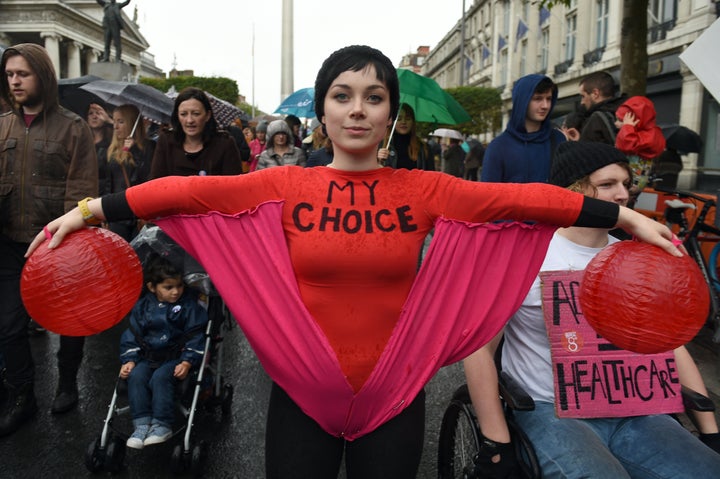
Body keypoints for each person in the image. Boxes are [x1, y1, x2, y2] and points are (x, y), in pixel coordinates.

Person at [29, 45, 680, 478]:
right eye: (342, 95)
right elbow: (188, 192)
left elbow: (522, 200)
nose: (359, 108)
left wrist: (623, 216)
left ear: (392, 113)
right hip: (302, 391)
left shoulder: (425, 189)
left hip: (394, 393)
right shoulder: (287, 185)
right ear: (324, 108)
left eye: (374, 96)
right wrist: (87, 212)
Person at [464, 141, 720, 478]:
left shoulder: (638, 260)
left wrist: (710, 432)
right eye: (607, 184)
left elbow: (669, 342)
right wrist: (496, 442)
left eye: (626, 184)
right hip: (550, 410)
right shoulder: (524, 257)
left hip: (635, 409)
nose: (622, 194)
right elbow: (479, 349)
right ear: (573, 190)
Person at [0, 43, 97, 435]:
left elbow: (82, 194)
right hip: (8, 245)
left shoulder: (73, 128)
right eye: (9, 75)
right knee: (8, 328)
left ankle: (68, 382)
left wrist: (66, 236)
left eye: (23, 73)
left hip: (57, 245)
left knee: (70, 322)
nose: (15, 81)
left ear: (43, 75)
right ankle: (23, 396)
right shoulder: (2, 124)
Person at [119, 254, 208, 449]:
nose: (176, 292)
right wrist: (129, 359)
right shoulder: (143, 306)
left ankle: (162, 423)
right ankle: (141, 424)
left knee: (160, 377)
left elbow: (195, 336)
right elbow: (132, 334)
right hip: (146, 356)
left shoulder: (189, 306)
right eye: (169, 287)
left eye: (179, 286)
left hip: (174, 357)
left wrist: (187, 361)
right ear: (152, 287)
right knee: (136, 376)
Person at [481, 74, 566, 183]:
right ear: (522, 101)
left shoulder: (558, 139)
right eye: (537, 98)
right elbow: (489, 194)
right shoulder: (498, 147)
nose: (545, 105)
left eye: (548, 99)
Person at [150, 87, 242, 178]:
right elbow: (156, 183)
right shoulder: (166, 141)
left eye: (196, 114)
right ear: (177, 115)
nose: (189, 120)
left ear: (207, 115)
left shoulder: (225, 144)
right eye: (183, 114)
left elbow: (234, 186)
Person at [102, 104, 154, 240]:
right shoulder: (112, 150)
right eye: (114, 121)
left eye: (121, 122)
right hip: (117, 213)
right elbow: (109, 184)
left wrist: (135, 151)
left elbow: (145, 177)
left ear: (132, 124)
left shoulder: (149, 147)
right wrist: (104, 211)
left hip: (138, 211)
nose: (115, 127)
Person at [614, 95, 666, 190]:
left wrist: (627, 127)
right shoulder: (653, 133)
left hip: (629, 183)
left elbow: (627, 145)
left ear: (636, 121)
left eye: (620, 120)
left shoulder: (642, 136)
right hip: (635, 182)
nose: (615, 123)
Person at [376, 104, 434, 170]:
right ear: (392, 122)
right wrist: (377, 160)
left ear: (412, 122)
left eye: (408, 118)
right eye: (399, 119)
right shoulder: (381, 145)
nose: (403, 122)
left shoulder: (423, 148)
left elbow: (431, 174)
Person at [578, 70, 625, 144]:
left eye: (583, 96)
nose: (582, 102)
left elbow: (584, 153)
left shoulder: (596, 120)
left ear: (595, 93)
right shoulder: (629, 112)